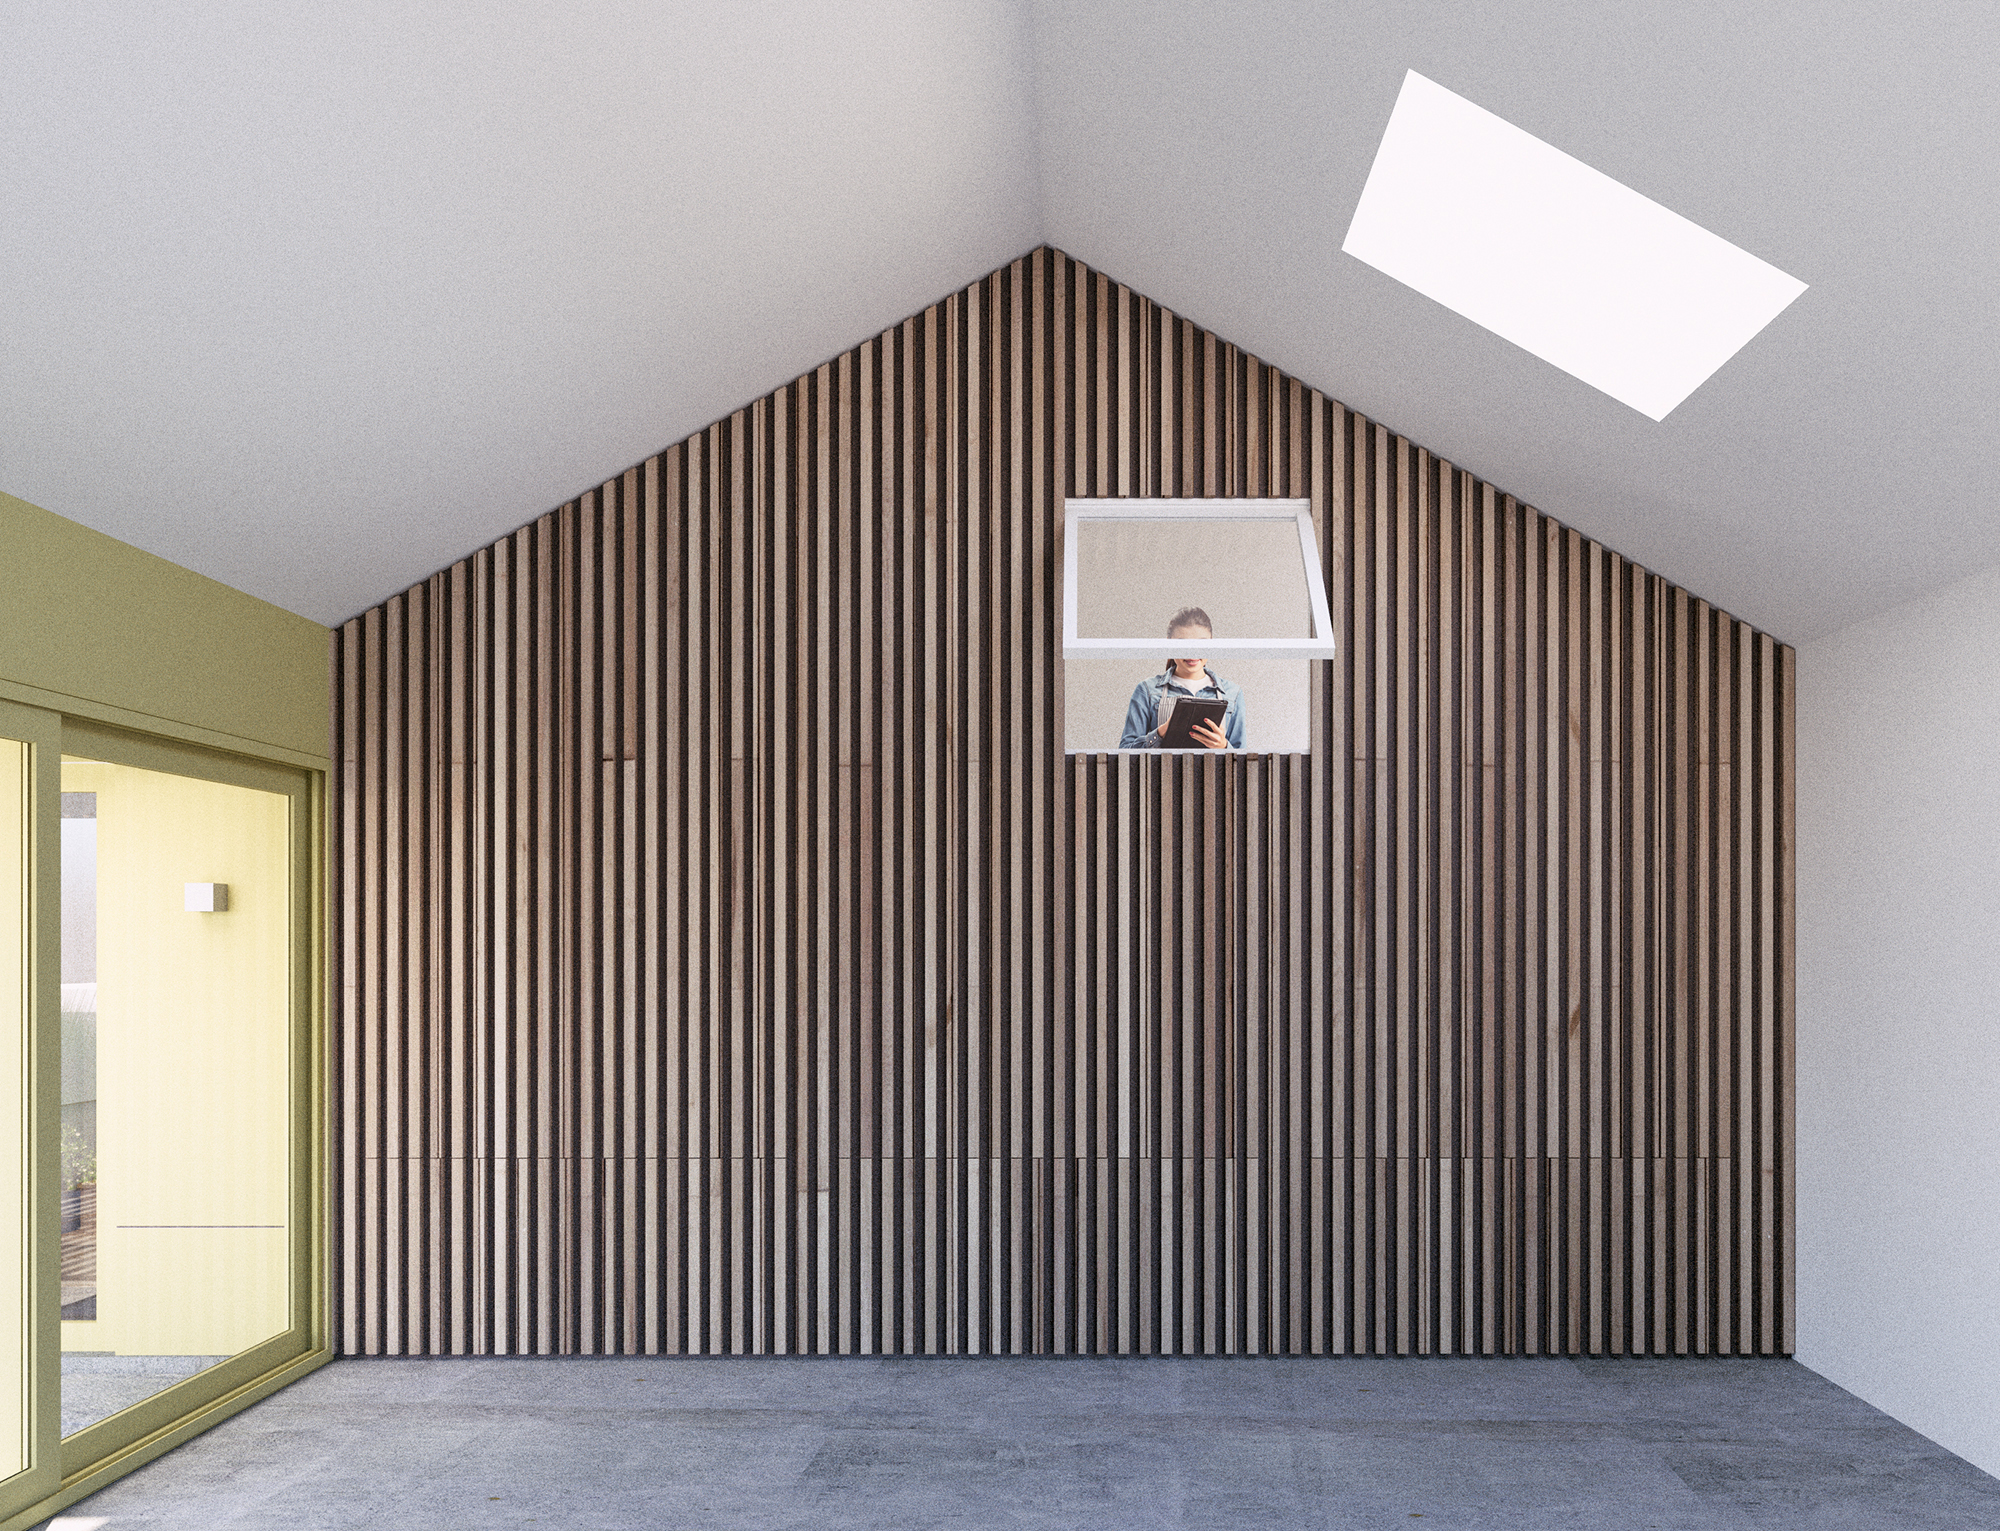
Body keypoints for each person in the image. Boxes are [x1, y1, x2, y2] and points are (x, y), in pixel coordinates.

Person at [1118, 606, 1245, 750]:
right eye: (1183, 644)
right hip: (1163, 767)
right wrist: (1160, 733)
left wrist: (1224, 746)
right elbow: (1125, 752)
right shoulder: (1147, 691)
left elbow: (1244, 759)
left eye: (1201, 643)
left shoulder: (1232, 694)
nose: (1192, 653)